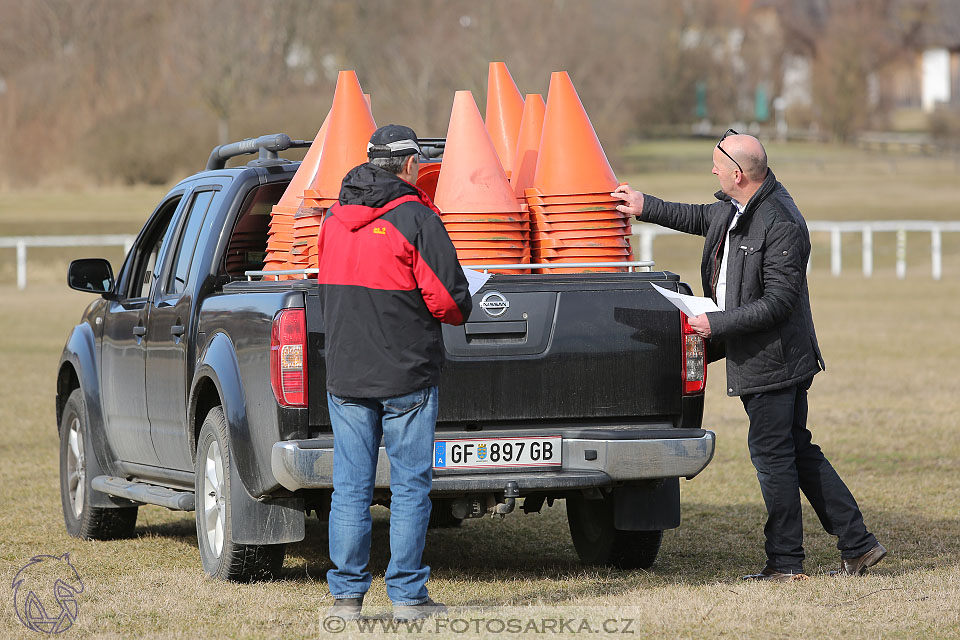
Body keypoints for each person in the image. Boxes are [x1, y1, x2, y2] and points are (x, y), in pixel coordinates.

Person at [612, 130, 885, 582]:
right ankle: (857, 544)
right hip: (760, 354)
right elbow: (699, 217)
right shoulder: (735, 206)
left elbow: (779, 302)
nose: (713, 171)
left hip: (775, 361)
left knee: (772, 456)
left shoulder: (781, 223)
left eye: (717, 164)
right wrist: (645, 206)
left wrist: (715, 325)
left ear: (738, 173)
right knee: (797, 450)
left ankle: (785, 562)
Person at [317, 124, 472, 618]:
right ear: (409, 166)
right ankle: (406, 596)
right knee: (408, 486)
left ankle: (345, 598)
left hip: (346, 374)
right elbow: (449, 303)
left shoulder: (332, 220)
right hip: (406, 374)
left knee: (351, 488)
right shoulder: (416, 218)